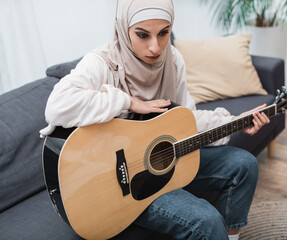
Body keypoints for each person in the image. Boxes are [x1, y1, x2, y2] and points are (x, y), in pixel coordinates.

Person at [40, 0, 270, 239]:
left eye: (164, 33)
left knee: (244, 164)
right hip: (119, 190)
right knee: (207, 221)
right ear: (123, 28)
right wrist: (129, 102)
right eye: (142, 35)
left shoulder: (173, 60)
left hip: (160, 164)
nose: (155, 47)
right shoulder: (102, 62)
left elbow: (186, 119)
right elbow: (57, 106)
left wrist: (235, 121)